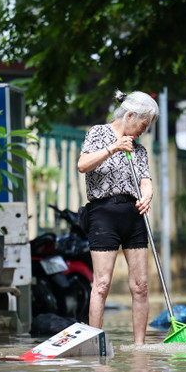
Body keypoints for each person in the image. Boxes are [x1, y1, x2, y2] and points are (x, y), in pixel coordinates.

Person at [77, 90, 159, 345]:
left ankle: (140, 347)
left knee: (141, 286)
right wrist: (113, 148)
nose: (144, 130)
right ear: (130, 116)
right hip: (104, 214)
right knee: (101, 284)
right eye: (143, 124)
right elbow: (82, 165)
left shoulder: (139, 149)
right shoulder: (98, 133)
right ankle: (95, 342)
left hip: (134, 215)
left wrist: (147, 194)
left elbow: (145, 180)